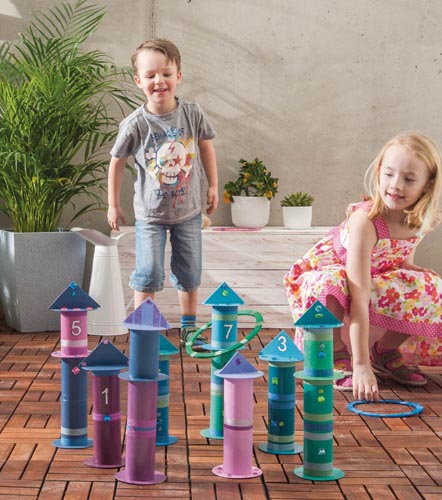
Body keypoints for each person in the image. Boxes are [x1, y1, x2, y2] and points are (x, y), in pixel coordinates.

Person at [284, 131, 442, 401]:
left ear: (427, 186)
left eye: (409, 179)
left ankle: (384, 351)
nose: (395, 185)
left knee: (432, 286)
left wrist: (413, 270)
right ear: (379, 172)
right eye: (389, 174)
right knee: (332, 283)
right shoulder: (366, 222)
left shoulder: (424, 219)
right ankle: (336, 352)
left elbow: (404, 254)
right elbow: (359, 299)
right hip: (328, 279)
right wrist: (361, 367)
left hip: (373, 274)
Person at [107, 39, 218, 346]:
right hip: (150, 215)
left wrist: (213, 184)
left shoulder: (192, 114)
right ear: (138, 80)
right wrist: (112, 205)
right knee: (148, 272)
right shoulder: (135, 124)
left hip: (189, 212)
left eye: (166, 74)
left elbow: (206, 146)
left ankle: (188, 327)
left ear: (178, 76)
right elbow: (116, 162)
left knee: (189, 271)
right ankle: (144, 330)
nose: (159, 81)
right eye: (151, 75)